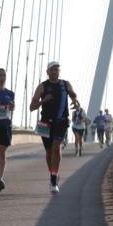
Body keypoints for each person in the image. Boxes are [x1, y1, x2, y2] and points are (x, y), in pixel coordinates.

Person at [29, 61, 80, 194]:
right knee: (48, 152)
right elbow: (31, 107)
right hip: (45, 122)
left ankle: (53, 179)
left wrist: (75, 101)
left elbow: (73, 94)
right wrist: (43, 101)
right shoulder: (42, 87)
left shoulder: (65, 84)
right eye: (52, 70)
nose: (54, 72)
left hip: (61, 121)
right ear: (47, 72)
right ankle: (53, 173)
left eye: (57, 69)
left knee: (56, 147)